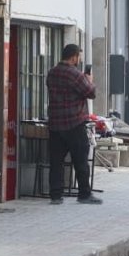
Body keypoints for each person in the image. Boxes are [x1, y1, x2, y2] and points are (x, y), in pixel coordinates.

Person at [46, 43, 101, 205]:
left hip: (55, 124)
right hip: (74, 123)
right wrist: (89, 81)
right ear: (74, 56)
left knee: (56, 161)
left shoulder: (52, 73)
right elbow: (91, 93)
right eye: (79, 57)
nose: (79, 60)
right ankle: (84, 193)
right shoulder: (75, 75)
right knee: (80, 159)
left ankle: (55, 195)